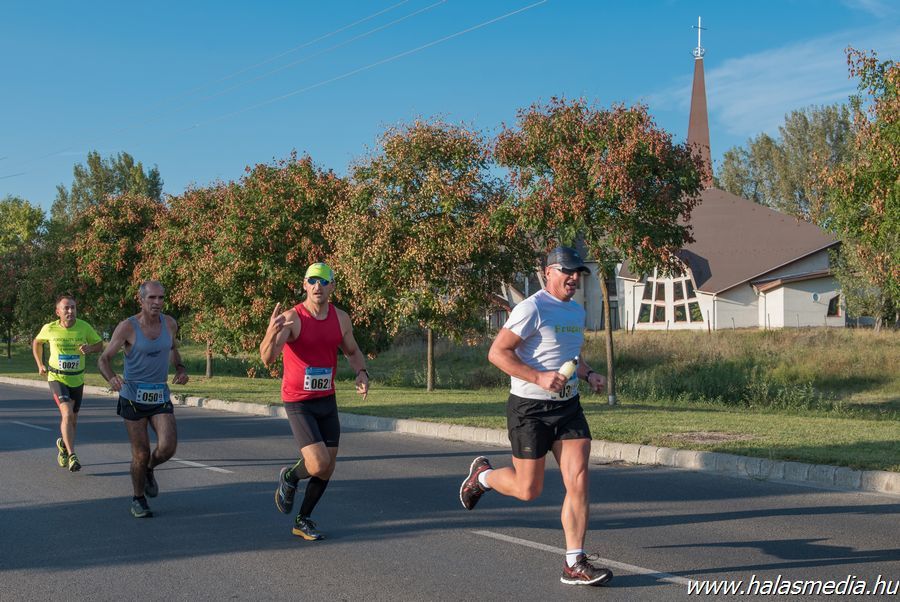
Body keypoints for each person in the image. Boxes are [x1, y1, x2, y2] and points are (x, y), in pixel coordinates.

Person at [459, 246, 613, 587]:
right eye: (568, 272)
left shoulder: (576, 311)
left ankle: (574, 561)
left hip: (568, 406)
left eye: (578, 273)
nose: (574, 278)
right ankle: (482, 477)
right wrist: (538, 377)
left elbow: (572, 355)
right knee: (529, 488)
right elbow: (497, 352)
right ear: (549, 272)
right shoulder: (531, 308)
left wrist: (588, 375)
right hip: (530, 409)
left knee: (579, 479)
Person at [260, 262, 369, 540]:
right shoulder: (293, 318)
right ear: (304, 285)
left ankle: (303, 519)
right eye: (312, 281)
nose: (317, 286)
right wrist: (272, 332)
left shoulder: (341, 318)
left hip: (326, 398)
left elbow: (353, 351)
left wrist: (361, 372)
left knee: (328, 466)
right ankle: (290, 477)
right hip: (299, 401)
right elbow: (267, 358)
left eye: (323, 281)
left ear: (332, 286)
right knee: (318, 463)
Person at [98, 280, 188, 518]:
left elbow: (171, 348)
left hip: (159, 394)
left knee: (168, 447)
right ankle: (138, 499)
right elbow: (103, 359)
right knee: (140, 452)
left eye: (161, 298)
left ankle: (149, 469)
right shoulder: (127, 327)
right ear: (141, 300)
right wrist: (111, 378)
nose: (157, 302)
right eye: (152, 298)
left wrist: (180, 367)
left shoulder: (169, 323)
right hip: (132, 397)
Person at [32, 295, 104, 472]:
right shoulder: (49, 328)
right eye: (66, 308)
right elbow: (37, 342)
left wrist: (90, 348)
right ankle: (72, 455)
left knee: (73, 420)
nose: (70, 311)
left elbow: (99, 344)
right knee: (66, 413)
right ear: (58, 312)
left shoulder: (84, 327)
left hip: (77, 379)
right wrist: (40, 364)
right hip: (57, 377)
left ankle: (63, 445)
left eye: (73, 307)